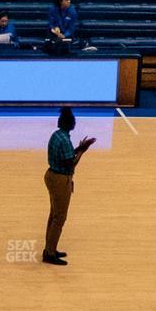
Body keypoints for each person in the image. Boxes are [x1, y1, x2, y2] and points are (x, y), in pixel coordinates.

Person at [42, 106, 94, 266]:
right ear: (70, 124)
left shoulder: (57, 135)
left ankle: (50, 248)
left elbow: (68, 154)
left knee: (53, 214)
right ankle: (49, 253)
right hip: (60, 179)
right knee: (60, 218)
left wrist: (78, 148)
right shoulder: (65, 140)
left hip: (51, 175)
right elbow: (71, 163)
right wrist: (83, 151)